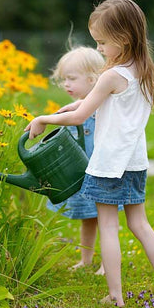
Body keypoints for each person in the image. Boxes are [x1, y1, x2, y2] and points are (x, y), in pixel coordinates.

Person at [25, 0, 154, 307]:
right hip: (135, 162)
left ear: (122, 39)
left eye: (102, 42)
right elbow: (105, 106)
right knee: (140, 224)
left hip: (109, 164)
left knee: (108, 226)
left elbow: (80, 117)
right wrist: (77, 104)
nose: (98, 49)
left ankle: (115, 295)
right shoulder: (141, 69)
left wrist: (42, 118)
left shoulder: (111, 75)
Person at [46, 46, 107, 275]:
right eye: (64, 79)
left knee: (104, 219)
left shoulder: (100, 105)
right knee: (88, 218)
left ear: (93, 79)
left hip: (100, 171)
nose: (66, 84)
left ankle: (106, 263)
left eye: (71, 78)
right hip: (83, 174)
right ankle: (86, 259)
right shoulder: (77, 107)